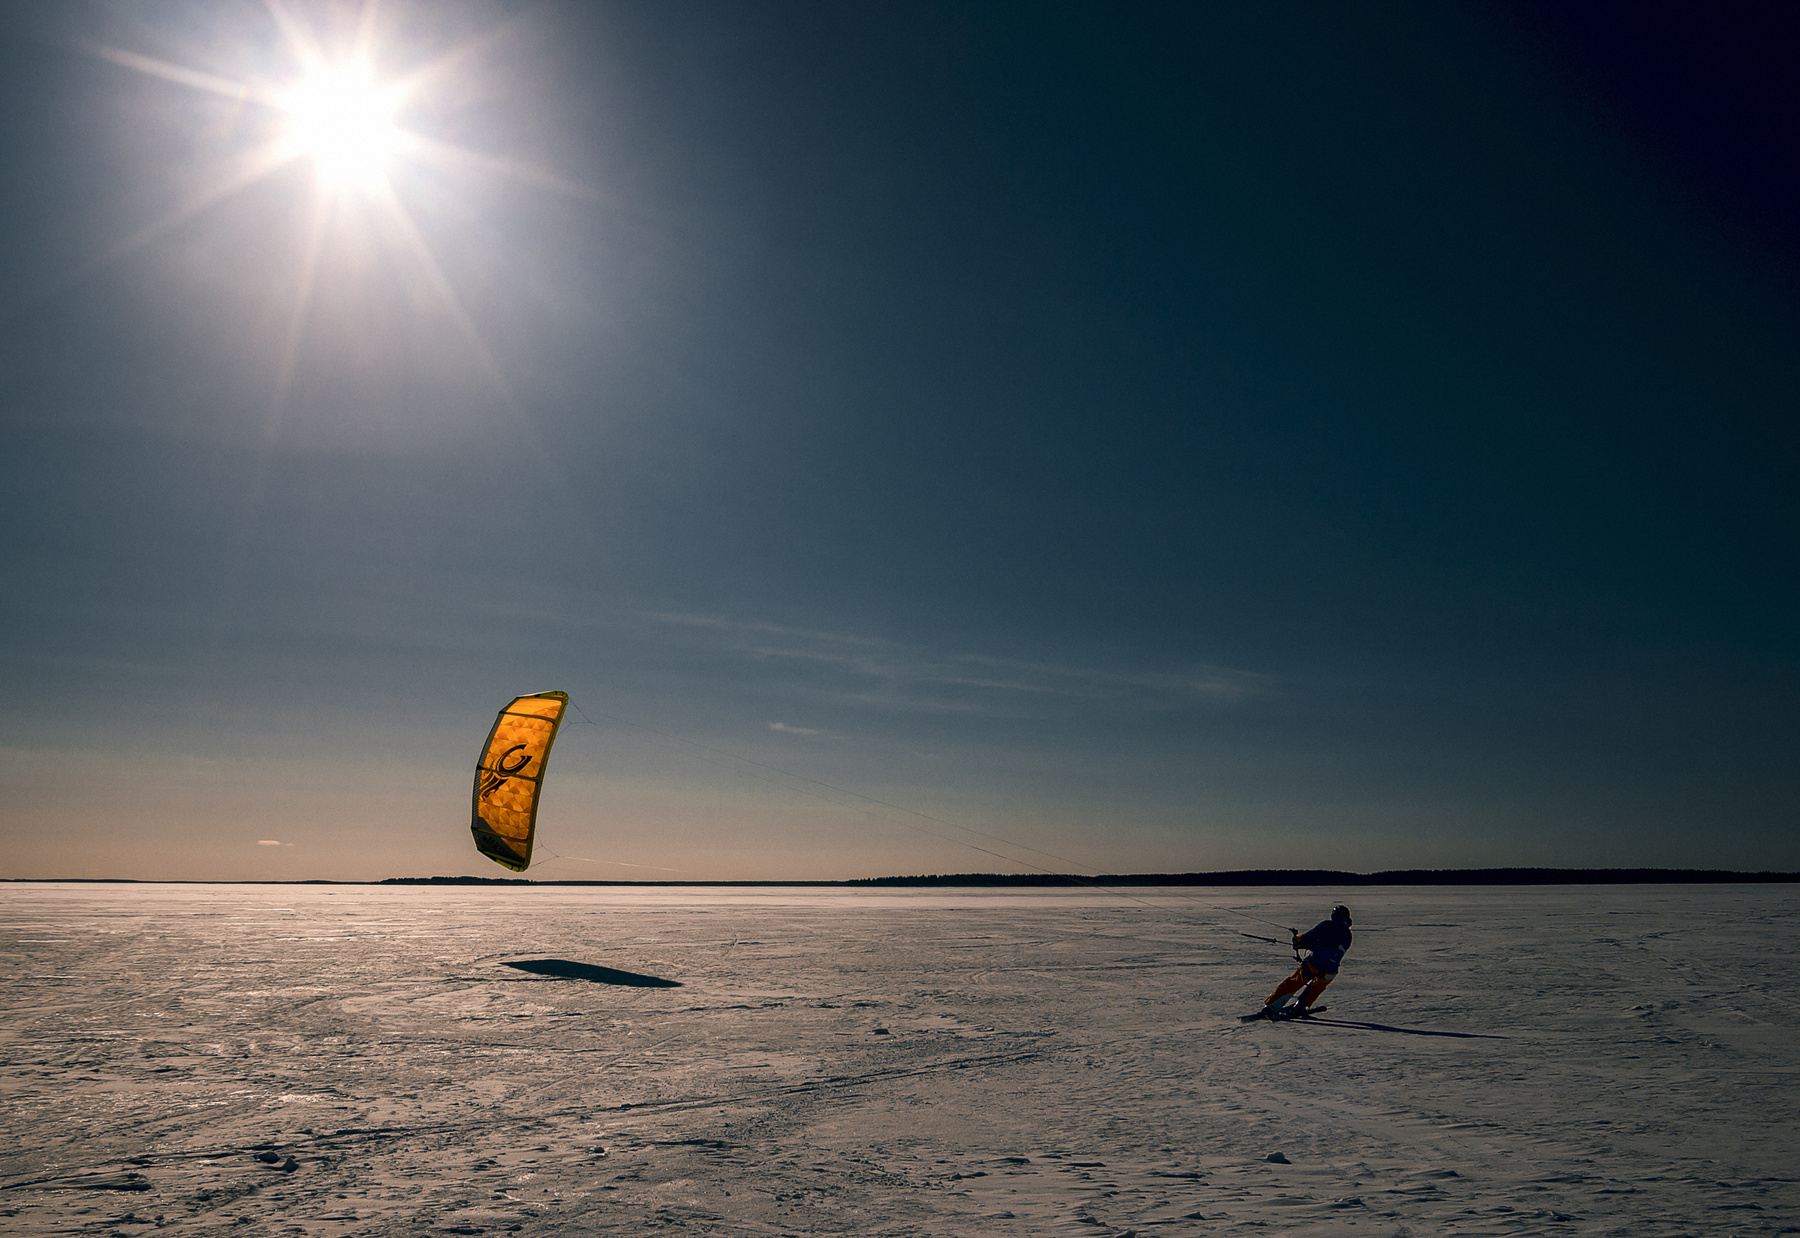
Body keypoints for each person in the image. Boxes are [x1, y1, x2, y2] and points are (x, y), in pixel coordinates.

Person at [1260, 904, 1352, 1018]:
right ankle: (1300, 1006)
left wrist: (1297, 939)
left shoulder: (1327, 925)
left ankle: (1271, 1007)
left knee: (1294, 982)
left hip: (1315, 963)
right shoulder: (1348, 935)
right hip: (1331, 971)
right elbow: (1330, 946)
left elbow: (1308, 937)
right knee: (1316, 987)